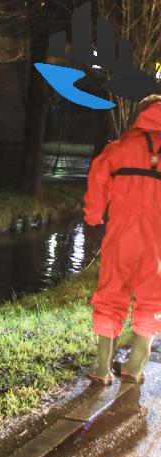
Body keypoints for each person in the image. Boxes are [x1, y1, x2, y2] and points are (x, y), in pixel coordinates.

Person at [84, 94, 161, 385]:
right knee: (153, 299)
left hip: (120, 235)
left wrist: (93, 221)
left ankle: (103, 369)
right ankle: (135, 366)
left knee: (111, 294)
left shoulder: (119, 148)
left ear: (139, 117)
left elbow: (97, 181)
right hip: (158, 242)